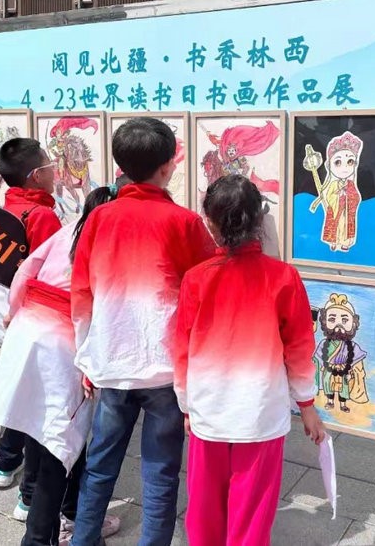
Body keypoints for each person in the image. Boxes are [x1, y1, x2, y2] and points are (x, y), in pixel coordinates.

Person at [71, 117, 216, 546]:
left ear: (120, 165)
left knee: (99, 465)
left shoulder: (99, 219)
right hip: (164, 368)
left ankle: (83, 539)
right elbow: (205, 295)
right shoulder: (185, 222)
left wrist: (86, 357)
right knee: (161, 473)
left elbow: (81, 294)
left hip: (111, 361)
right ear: (169, 165)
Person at [173, 174, 326, 545]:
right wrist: (306, 406)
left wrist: (187, 406)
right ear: (259, 219)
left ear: (210, 222)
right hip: (261, 412)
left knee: (204, 509)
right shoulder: (284, 277)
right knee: (253, 511)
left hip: (209, 408)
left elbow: (181, 349)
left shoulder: (195, 279)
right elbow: (299, 348)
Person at [0, 181, 131, 546]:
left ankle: (55, 516)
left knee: (39, 431)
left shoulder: (68, 231)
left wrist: (12, 314)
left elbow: (24, 271)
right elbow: (98, 312)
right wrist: (94, 364)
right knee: (58, 446)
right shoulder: (110, 246)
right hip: (63, 346)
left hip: (26, 330)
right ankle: (40, 537)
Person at [0, 138, 64, 519]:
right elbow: (52, 273)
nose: (54, 170)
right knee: (37, 405)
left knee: (19, 390)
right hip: (35, 318)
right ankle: (29, 496)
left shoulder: (7, 208)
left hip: (8, 315)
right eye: (49, 165)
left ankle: (4, 464)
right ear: (36, 175)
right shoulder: (43, 216)